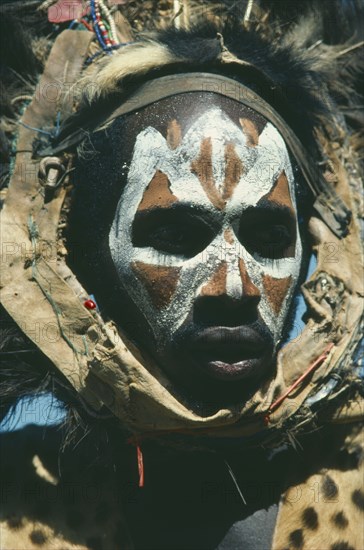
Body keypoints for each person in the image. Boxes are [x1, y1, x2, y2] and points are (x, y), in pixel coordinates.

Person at [0, 1, 363, 548]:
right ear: (80, 259)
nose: (234, 287)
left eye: (267, 239)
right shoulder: (17, 505)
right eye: (175, 237)